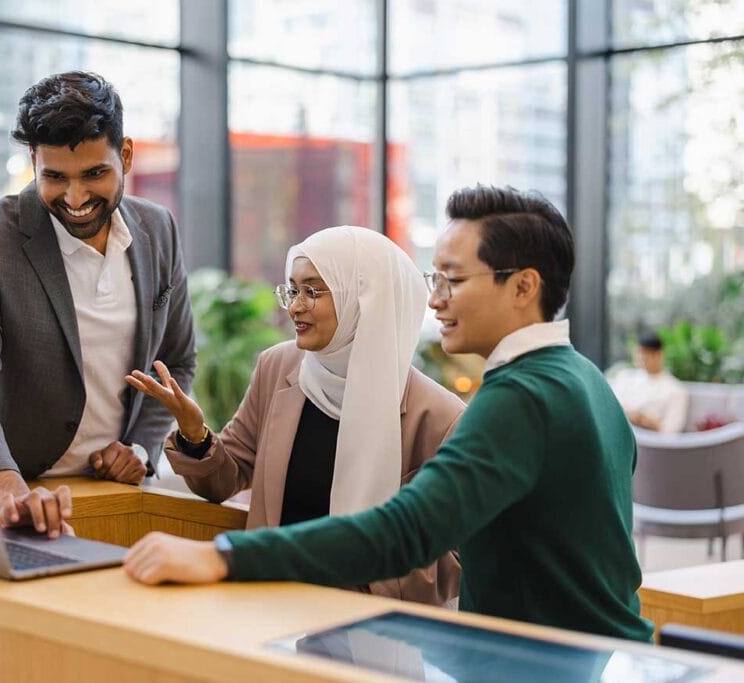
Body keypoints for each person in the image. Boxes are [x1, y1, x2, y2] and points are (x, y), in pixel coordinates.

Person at [121, 185, 653, 642]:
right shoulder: (586, 380)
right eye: (435, 279)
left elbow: (406, 532)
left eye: (455, 280)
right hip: (595, 652)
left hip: (550, 662)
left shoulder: (518, 398)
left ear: (523, 286)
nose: (436, 301)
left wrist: (225, 557)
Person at [126, 226, 465, 605]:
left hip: (369, 624)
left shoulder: (439, 416)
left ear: (363, 298)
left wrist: (356, 568)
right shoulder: (278, 367)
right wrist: (194, 433)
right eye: (292, 289)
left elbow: (452, 563)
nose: (295, 306)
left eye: (312, 291)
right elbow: (225, 480)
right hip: (270, 604)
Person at [0, 72, 195, 538]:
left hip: (115, 499)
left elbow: (175, 360)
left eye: (95, 174)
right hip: (21, 500)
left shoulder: (158, 230)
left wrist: (139, 447)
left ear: (126, 155)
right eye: (55, 177)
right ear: (33, 160)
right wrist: (4, 482)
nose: (75, 199)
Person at [609, 332, 688, 433]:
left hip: (650, 444)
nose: (641, 357)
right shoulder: (625, 377)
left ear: (659, 354)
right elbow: (611, 409)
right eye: (639, 352)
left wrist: (643, 421)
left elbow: (671, 431)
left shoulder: (675, 390)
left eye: (646, 353)